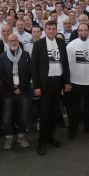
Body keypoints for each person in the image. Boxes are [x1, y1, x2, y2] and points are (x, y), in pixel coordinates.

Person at [30, 20, 70, 156]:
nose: (51, 31)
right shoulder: (38, 45)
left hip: (58, 82)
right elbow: (34, 67)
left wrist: (66, 82)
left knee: (54, 112)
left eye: (54, 28)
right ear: (45, 30)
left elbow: (65, 63)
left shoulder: (60, 43)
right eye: (49, 29)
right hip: (45, 84)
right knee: (44, 113)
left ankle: (50, 137)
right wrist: (36, 86)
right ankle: (41, 142)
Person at [0, 32, 32, 149]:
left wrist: (20, 88)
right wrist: (12, 88)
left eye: (15, 40)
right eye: (11, 41)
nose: (13, 42)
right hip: (8, 91)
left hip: (23, 90)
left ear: (18, 41)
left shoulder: (26, 55)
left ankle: (21, 136)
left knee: (23, 115)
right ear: (8, 42)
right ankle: (8, 137)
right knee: (7, 116)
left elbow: (29, 73)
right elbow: (1, 74)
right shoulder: (3, 56)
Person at [65, 23, 89, 137]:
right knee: (74, 109)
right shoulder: (71, 45)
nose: (84, 32)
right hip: (75, 83)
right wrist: (67, 82)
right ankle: (73, 130)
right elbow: (66, 66)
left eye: (86, 30)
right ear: (77, 31)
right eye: (81, 30)